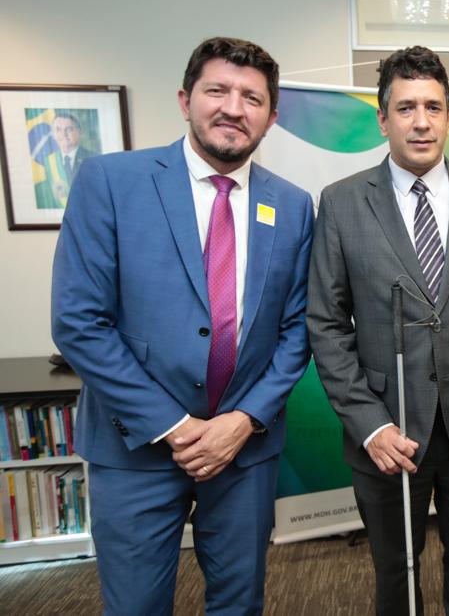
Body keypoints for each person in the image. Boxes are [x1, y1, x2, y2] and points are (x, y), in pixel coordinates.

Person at [51, 37, 314, 615]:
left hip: (243, 450)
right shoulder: (111, 181)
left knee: (239, 604)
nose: (233, 108)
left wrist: (243, 421)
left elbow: (298, 329)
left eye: (252, 98)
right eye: (217, 90)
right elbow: (78, 322)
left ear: (271, 117)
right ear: (184, 100)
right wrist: (175, 427)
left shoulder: (293, 205)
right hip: (135, 447)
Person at [306, 46, 449, 615]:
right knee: (396, 572)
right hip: (389, 431)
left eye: (433, 107)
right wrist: (369, 425)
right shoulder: (341, 204)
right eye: (406, 107)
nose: (421, 122)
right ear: (382, 119)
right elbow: (327, 324)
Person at [52, 111, 96, 186]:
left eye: (69, 129)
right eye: (58, 130)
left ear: (79, 132)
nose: (63, 134)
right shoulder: (50, 163)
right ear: (53, 135)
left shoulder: (92, 158)